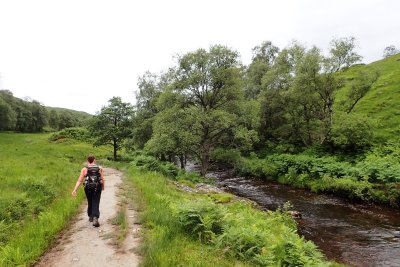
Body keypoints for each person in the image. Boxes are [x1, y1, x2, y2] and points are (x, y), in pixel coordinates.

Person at [72, 155, 105, 227]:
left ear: (87, 161)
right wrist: (103, 187)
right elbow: (102, 179)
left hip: (87, 188)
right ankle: (95, 217)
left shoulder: (84, 169)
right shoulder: (100, 168)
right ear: (94, 160)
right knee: (96, 201)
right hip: (97, 187)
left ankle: (90, 216)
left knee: (90, 201)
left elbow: (79, 180)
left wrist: (75, 190)